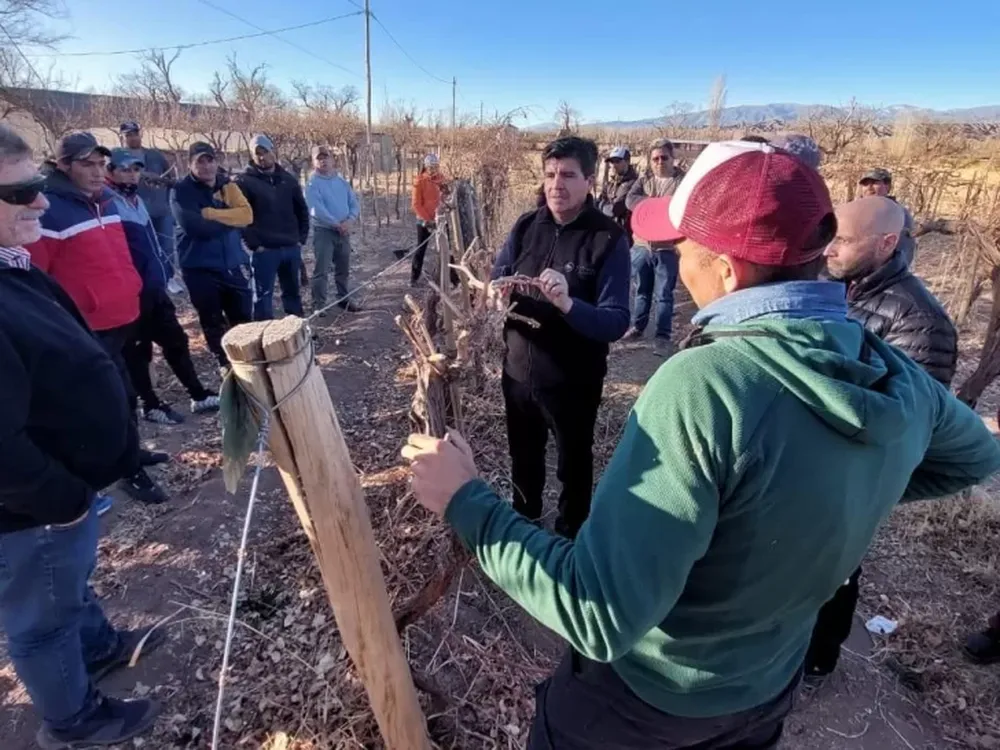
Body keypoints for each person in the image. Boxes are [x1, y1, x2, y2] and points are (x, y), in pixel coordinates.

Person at [401, 140, 1000, 750]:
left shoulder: (706, 385)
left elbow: (598, 614)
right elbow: (975, 457)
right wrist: (833, 489)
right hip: (767, 689)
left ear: (727, 270)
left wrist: (467, 502)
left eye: (683, 246)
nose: (676, 259)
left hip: (646, 702)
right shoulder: (886, 370)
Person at [0, 124, 164, 748]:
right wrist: (63, 498)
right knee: (41, 616)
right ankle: (73, 721)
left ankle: (96, 648)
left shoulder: (11, 266)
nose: (42, 201)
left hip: (61, 490)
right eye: (22, 192)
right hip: (31, 507)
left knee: (66, 584)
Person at [804, 195, 959, 679]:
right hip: (809, 455)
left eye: (843, 240)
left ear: (887, 243)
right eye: (828, 236)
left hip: (853, 473)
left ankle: (818, 660)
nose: (828, 249)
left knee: (836, 568)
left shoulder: (921, 322)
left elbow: (906, 422)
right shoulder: (830, 286)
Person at [490, 136, 630, 539]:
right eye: (550, 174)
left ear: (589, 179)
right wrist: (496, 289)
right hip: (517, 374)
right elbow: (499, 272)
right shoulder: (526, 226)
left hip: (574, 383)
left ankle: (571, 539)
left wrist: (568, 303)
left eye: (568, 175)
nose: (556, 184)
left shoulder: (608, 239)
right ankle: (525, 527)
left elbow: (616, 321)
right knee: (523, 459)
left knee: (574, 465)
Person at [26, 131, 169, 506]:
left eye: (101, 164)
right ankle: (125, 472)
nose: (96, 171)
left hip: (122, 317)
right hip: (87, 329)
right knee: (108, 403)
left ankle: (132, 453)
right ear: (63, 165)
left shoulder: (106, 200)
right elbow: (36, 279)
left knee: (128, 394)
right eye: (87, 164)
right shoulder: (48, 210)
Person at [105, 149, 220, 424]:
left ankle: (198, 395)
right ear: (110, 171)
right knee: (138, 352)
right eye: (125, 169)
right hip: (131, 294)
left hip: (155, 287)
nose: (132, 175)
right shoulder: (107, 204)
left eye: (136, 170)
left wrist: (165, 273)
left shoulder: (135, 200)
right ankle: (151, 405)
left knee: (176, 340)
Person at [172, 142, 254, 372]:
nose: (206, 166)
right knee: (212, 320)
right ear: (190, 164)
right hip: (199, 268)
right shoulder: (181, 191)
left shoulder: (227, 185)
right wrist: (231, 219)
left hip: (232, 263)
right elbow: (196, 228)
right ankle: (224, 364)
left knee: (242, 317)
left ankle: (248, 362)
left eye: (210, 160)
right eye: (200, 162)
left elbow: (247, 216)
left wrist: (211, 213)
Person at [235, 134, 309, 320]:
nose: (262, 157)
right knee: (263, 296)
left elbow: (302, 210)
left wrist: (300, 239)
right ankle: (264, 333)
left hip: (290, 247)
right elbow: (241, 218)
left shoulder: (288, 179)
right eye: (257, 153)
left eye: (265, 152)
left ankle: (297, 329)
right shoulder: (244, 182)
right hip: (265, 251)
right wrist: (254, 245)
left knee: (292, 294)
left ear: (273, 151)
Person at [623, 138, 686, 355]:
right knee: (641, 290)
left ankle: (662, 336)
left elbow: (688, 205)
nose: (659, 162)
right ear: (650, 161)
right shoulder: (644, 180)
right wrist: (656, 205)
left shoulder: (683, 183)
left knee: (664, 294)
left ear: (672, 158)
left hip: (668, 248)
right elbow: (630, 200)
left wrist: (659, 207)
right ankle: (638, 327)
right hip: (641, 245)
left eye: (664, 157)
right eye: (655, 158)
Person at [305, 145, 361, 315]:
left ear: (332, 159)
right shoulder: (312, 184)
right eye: (319, 158)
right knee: (322, 269)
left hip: (343, 231)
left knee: (343, 268)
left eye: (326, 157)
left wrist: (349, 221)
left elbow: (354, 203)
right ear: (314, 162)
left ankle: (343, 298)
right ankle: (318, 304)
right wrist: (336, 223)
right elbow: (316, 209)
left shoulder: (341, 182)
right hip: (324, 231)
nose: (323, 161)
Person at [120, 121, 176, 270]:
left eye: (135, 134)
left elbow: (170, 177)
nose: (133, 138)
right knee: (145, 248)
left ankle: (169, 276)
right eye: (128, 135)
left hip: (162, 209)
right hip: (137, 212)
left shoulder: (155, 155)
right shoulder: (119, 157)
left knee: (167, 247)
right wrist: (144, 175)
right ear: (122, 137)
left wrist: (163, 182)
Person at [858, 167, 916, 265]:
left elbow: (904, 250)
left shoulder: (897, 212)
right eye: (865, 184)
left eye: (875, 183)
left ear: (887, 186)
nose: (869, 187)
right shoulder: (856, 210)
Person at [410, 154, 448, 286]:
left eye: (436, 167)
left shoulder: (441, 179)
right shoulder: (419, 181)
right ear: (426, 167)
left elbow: (445, 197)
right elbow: (416, 204)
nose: (434, 170)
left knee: (446, 248)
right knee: (421, 248)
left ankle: (450, 277)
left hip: (440, 219)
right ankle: (414, 278)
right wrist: (428, 219)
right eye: (431, 167)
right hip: (424, 220)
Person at [596, 146, 639, 242]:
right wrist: (602, 205)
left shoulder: (633, 183)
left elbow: (615, 210)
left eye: (618, 161)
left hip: (625, 235)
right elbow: (598, 202)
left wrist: (602, 206)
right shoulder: (611, 183)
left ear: (627, 161)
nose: (614, 165)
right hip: (608, 231)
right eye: (612, 162)